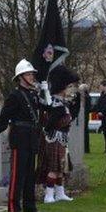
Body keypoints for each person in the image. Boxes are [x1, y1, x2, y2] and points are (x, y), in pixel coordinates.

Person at [0, 59, 45, 212]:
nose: (32, 77)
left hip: (32, 137)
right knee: (18, 175)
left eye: (32, 74)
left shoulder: (33, 94)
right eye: (28, 74)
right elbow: (4, 116)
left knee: (30, 174)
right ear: (20, 77)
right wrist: (3, 129)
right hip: (20, 137)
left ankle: (30, 206)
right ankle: (13, 209)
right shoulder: (14, 96)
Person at [37, 65, 79, 203]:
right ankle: (49, 195)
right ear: (63, 88)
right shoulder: (56, 104)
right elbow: (51, 122)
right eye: (69, 87)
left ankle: (60, 193)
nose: (71, 90)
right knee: (54, 167)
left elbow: (73, 115)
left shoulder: (61, 103)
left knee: (61, 167)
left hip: (62, 138)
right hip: (54, 138)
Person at [79, 84, 92, 154]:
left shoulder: (86, 98)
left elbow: (86, 108)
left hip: (84, 116)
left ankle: (86, 149)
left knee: (84, 132)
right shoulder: (85, 97)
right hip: (83, 116)